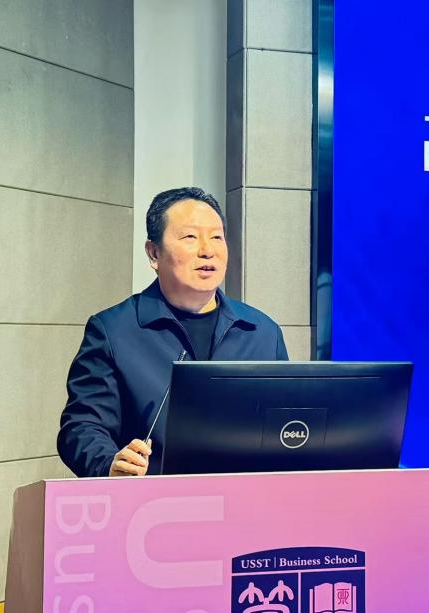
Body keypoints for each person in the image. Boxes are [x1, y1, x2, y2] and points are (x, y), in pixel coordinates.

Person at [57, 187, 289, 477]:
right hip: (151, 499)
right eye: (190, 237)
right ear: (154, 253)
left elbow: (285, 425)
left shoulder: (262, 331)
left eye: (217, 237)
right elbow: (83, 426)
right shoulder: (114, 331)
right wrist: (109, 463)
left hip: (244, 499)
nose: (207, 250)